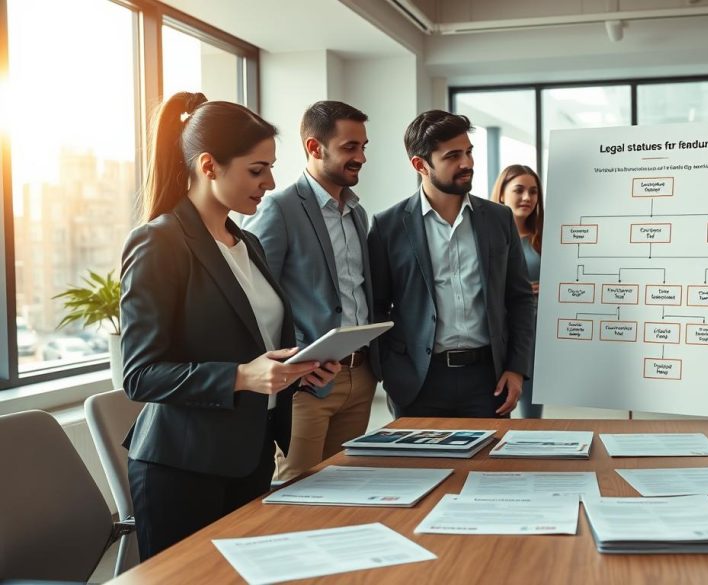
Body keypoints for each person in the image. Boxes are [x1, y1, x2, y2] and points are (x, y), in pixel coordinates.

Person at [119, 91, 326, 560]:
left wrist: (299, 370)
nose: (270, 182)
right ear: (209, 166)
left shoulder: (246, 241)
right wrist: (242, 376)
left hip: (249, 454)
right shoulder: (159, 242)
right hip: (182, 468)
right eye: (257, 170)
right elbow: (139, 374)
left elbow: (256, 344)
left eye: (271, 167)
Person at [367, 110, 535, 418]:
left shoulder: (499, 219)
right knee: (422, 468)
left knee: (488, 465)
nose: (467, 163)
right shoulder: (387, 226)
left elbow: (520, 299)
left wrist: (516, 367)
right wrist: (391, 371)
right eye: (453, 156)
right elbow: (376, 307)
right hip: (418, 383)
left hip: (488, 381)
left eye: (469, 152)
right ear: (420, 165)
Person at [244, 101, 376, 482]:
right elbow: (257, 298)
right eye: (350, 147)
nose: (361, 157)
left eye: (364, 146)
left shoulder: (357, 212)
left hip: (360, 376)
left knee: (346, 487)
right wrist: (298, 357)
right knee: (294, 491)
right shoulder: (278, 208)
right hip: (306, 383)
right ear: (315, 148)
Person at [491, 164, 544, 419]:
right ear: (502, 193)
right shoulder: (490, 236)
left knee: (532, 411)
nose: (527, 198)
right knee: (500, 404)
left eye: (533, 192)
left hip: (537, 332)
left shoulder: (543, 237)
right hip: (500, 331)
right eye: (519, 190)